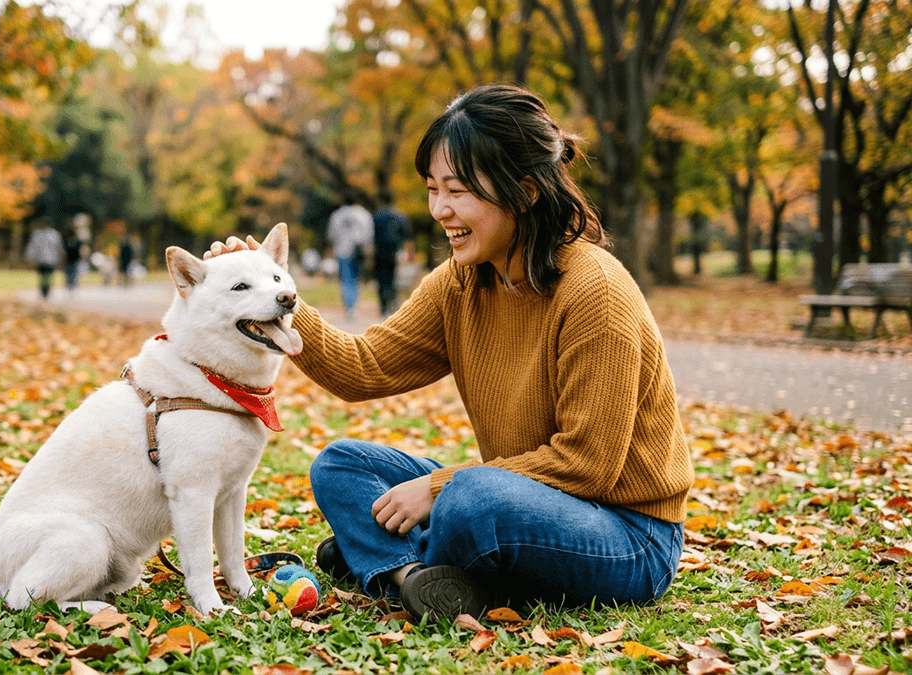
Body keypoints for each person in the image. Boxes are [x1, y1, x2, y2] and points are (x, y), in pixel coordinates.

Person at [206, 84, 693, 622]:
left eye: (457, 190)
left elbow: (588, 465)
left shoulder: (594, 293)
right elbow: (362, 369)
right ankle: (414, 576)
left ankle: (384, 560)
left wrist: (440, 487)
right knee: (341, 464)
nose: (439, 209)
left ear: (526, 191)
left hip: (627, 535)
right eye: (433, 188)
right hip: (516, 495)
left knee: (470, 498)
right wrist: (275, 292)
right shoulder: (461, 283)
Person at [326, 200, 373, 320]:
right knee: (358, 280)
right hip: (358, 251)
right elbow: (368, 235)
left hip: (342, 251)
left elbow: (331, 235)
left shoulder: (336, 215)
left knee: (345, 280)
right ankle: (354, 307)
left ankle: (348, 307)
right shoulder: (363, 214)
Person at [372, 205, 410, 317]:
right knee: (393, 279)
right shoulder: (400, 216)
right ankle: (391, 304)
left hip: (379, 252)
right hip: (395, 252)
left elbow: (372, 235)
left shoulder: (378, 216)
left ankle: (383, 306)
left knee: (381, 280)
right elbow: (407, 235)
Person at [25, 218, 61, 299]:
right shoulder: (39, 234)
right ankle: (44, 291)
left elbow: (58, 248)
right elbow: (32, 247)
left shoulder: (53, 234)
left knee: (47, 277)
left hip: (50, 260)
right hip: (42, 260)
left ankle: (46, 291)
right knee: (44, 277)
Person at [62, 225, 84, 295]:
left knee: (71, 274)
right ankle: (71, 286)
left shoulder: (69, 240)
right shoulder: (71, 240)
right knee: (72, 274)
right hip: (71, 259)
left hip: (72, 259)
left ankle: (71, 286)